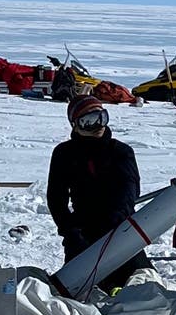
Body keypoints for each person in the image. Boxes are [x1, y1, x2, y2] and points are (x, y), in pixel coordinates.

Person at [47, 95, 154, 293]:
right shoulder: (64, 154)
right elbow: (56, 198)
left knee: (142, 287)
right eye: (88, 121)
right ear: (75, 125)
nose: (98, 126)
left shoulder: (121, 152)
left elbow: (129, 193)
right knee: (74, 291)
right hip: (82, 231)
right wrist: (71, 232)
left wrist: (116, 230)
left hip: (120, 230)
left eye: (101, 118)